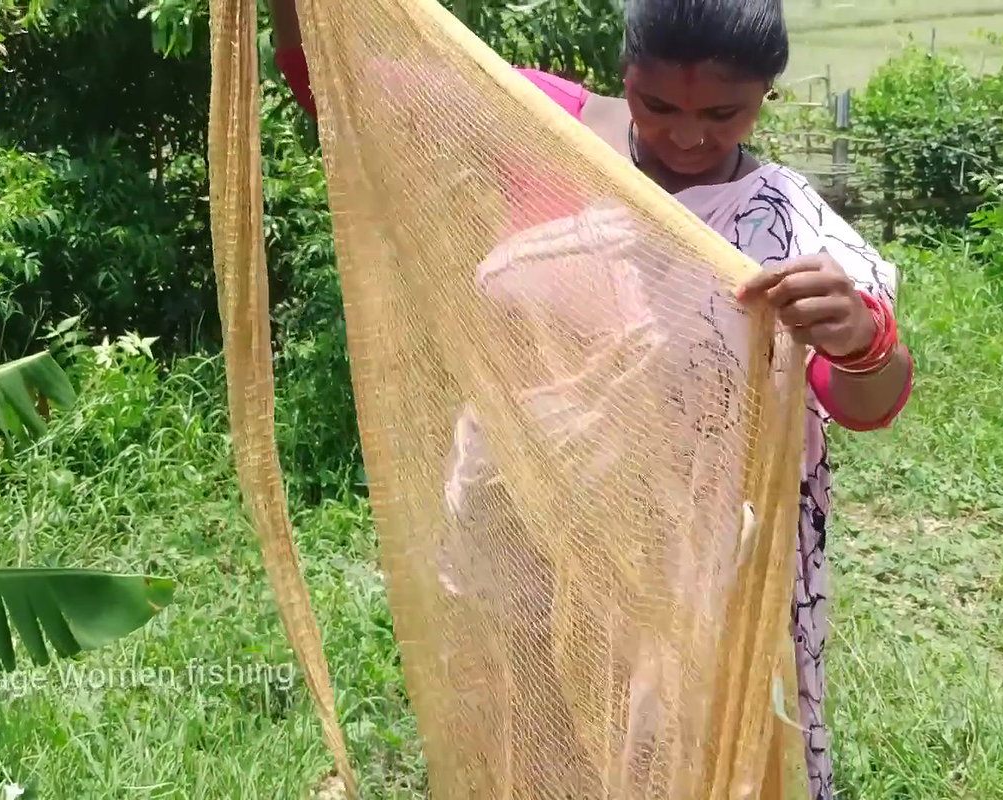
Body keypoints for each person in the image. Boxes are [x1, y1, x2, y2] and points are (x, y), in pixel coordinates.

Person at [271, 0, 913, 796]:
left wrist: (861, 339)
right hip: (519, 510)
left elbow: (864, 400)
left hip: (680, 555)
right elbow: (343, 82)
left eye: (723, 112)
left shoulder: (784, 228)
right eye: (658, 105)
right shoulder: (546, 126)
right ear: (624, 74)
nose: (687, 136)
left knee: (664, 741)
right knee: (533, 716)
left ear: (767, 95)